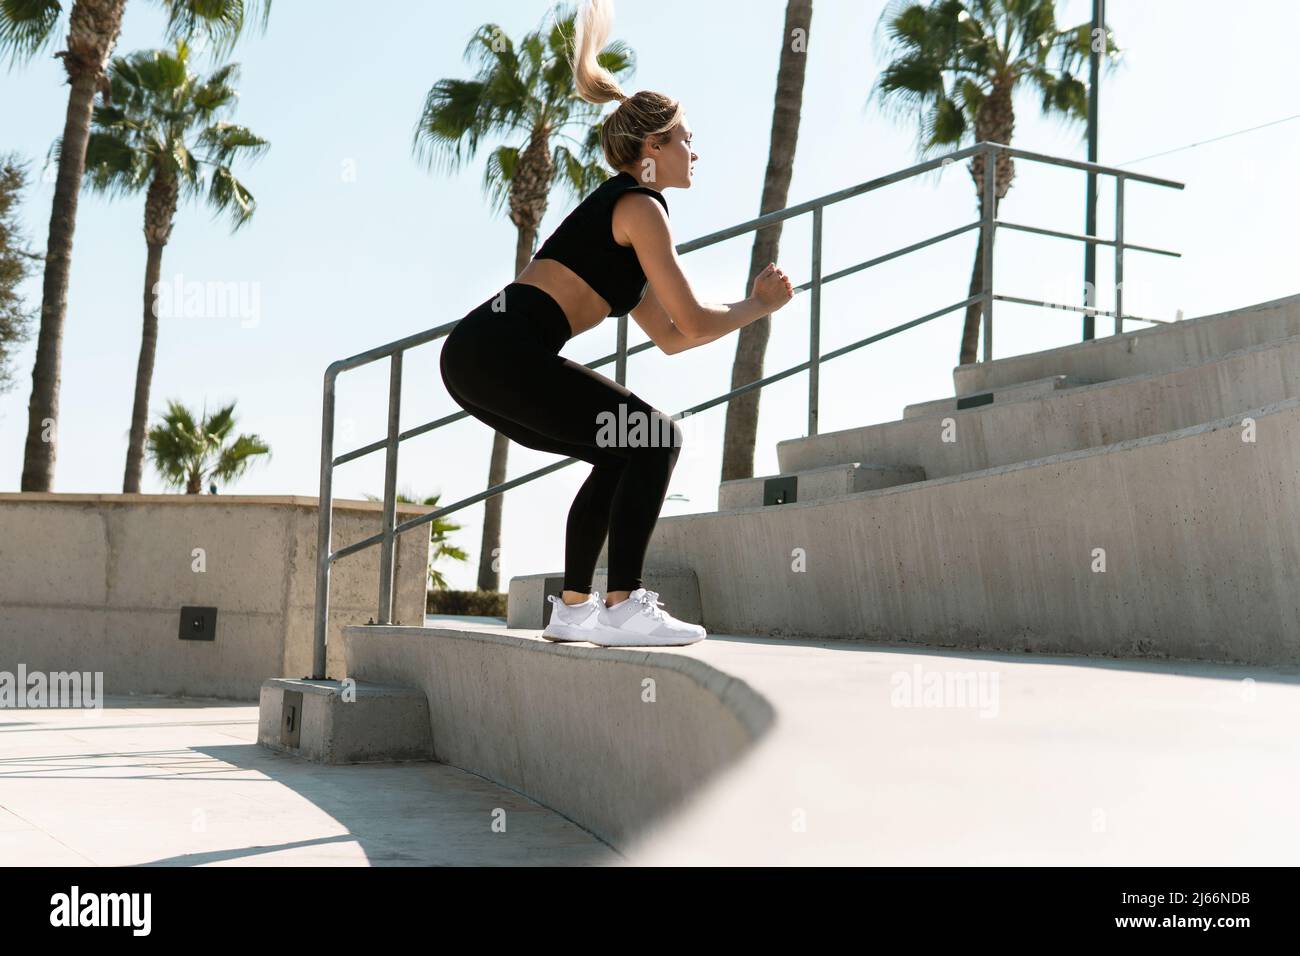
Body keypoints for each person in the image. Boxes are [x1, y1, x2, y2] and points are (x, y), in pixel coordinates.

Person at [439, 0, 794, 647]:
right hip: (499, 352)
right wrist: (759, 306)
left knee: (622, 445)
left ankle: (574, 610)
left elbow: (673, 338)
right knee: (654, 438)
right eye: (685, 138)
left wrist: (744, 310)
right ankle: (624, 605)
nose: (695, 151)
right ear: (652, 148)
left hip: (479, 357)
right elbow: (690, 315)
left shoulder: (622, 225)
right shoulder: (639, 205)